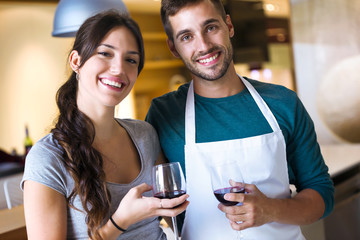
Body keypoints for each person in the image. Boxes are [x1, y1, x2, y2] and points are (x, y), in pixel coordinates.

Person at [145, 0, 334, 239]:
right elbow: (155, 207)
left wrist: (271, 209)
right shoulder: (163, 114)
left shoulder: (283, 103)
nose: (203, 45)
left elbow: (322, 194)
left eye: (211, 27)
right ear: (173, 48)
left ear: (229, 26)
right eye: (186, 37)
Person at [21, 10, 189, 240]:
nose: (119, 69)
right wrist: (121, 221)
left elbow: (178, 216)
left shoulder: (145, 135)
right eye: (105, 53)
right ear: (76, 61)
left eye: (130, 60)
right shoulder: (47, 159)